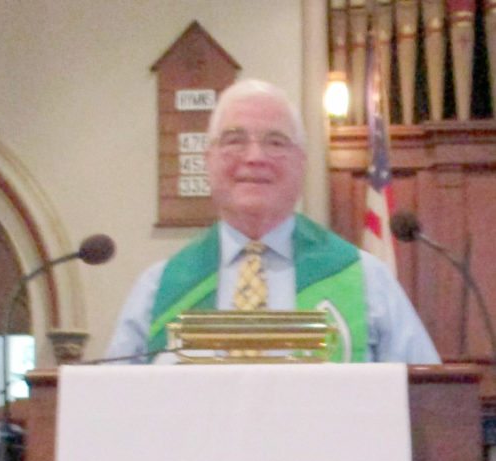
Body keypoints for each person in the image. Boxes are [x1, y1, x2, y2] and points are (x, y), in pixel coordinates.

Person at [106, 79, 440, 364]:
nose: (255, 157)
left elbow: (430, 402)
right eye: (234, 140)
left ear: (301, 163)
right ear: (208, 161)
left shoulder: (366, 281)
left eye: (275, 142)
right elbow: (110, 404)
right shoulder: (157, 290)